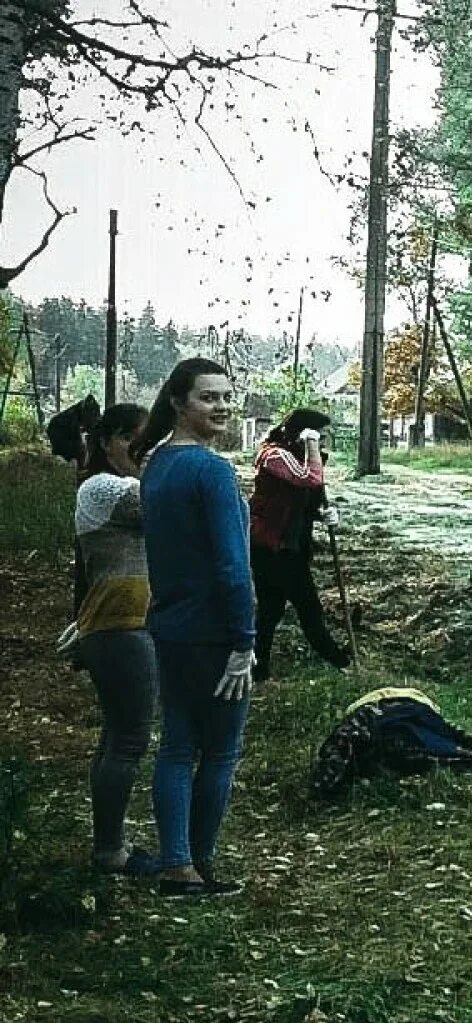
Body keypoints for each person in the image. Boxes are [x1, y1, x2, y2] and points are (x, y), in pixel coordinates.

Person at [134, 358, 252, 898]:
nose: (222, 406)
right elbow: (233, 565)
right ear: (179, 403)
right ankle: (195, 864)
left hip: (169, 627)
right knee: (220, 750)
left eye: (226, 396)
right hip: (211, 634)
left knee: (177, 745)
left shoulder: (157, 464)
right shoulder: (211, 471)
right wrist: (243, 642)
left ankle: (176, 863)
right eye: (208, 397)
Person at [69, 403, 159, 875]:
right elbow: (166, 507)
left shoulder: (103, 487)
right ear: (107, 442)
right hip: (120, 625)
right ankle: (110, 852)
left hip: (117, 624)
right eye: (133, 442)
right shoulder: (107, 488)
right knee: (128, 740)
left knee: (117, 736)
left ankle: (110, 844)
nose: (142, 453)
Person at [248, 409, 351, 681]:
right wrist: (312, 445)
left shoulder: (299, 457)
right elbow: (310, 478)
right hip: (271, 546)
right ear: (304, 432)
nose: (324, 440)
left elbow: (303, 498)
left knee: (270, 611)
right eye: (321, 435)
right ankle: (340, 661)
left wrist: (323, 513)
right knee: (308, 607)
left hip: (289, 545)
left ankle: (258, 670)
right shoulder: (274, 455)